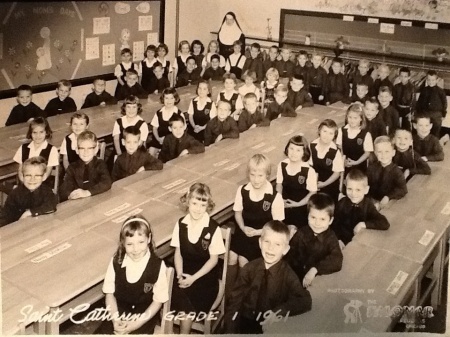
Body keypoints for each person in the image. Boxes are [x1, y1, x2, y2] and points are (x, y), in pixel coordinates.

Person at [224, 220, 312, 334]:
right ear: (260, 243)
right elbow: (234, 304)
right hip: (245, 324)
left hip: (272, 327)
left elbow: (305, 300)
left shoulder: (288, 274)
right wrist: (229, 332)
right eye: (267, 242)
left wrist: (280, 311)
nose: (271, 248)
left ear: (285, 249)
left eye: (277, 244)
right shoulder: (248, 269)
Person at [95, 216, 169, 334]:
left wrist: (135, 325)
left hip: (143, 318)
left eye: (141, 242)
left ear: (149, 239)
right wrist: (115, 320)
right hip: (117, 313)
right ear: (123, 243)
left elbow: (157, 302)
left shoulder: (157, 266)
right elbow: (109, 294)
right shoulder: (116, 261)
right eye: (130, 244)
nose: (136, 249)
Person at [170, 183, 226, 334]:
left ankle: (184, 334)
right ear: (187, 201)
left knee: (187, 298)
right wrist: (180, 274)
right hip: (184, 272)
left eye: (203, 204)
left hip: (204, 277)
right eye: (194, 203)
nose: (198, 209)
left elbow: (214, 260)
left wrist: (193, 278)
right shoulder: (181, 224)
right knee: (166, 290)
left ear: (208, 206)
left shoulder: (213, 228)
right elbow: (178, 253)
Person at [229, 154, 284, 269]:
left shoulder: (274, 197)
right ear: (248, 174)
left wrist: (258, 232)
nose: (256, 180)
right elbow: (238, 212)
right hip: (244, 230)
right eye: (252, 175)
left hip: (263, 235)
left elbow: (277, 225)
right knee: (231, 256)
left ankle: (245, 285)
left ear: (267, 175)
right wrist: (243, 227)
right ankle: (230, 286)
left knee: (243, 260)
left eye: (260, 176)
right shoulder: (242, 190)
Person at [286, 193, 343, 286]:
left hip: (317, 279)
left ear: (331, 220)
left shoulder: (331, 237)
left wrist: (315, 269)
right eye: (313, 217)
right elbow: (289, 254)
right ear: (307, 216)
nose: (317, 223)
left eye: (322, 219)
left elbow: (337, 260)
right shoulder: (301, 233)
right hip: (295, 277)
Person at [333, 169, 390, 246]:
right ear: (345, 187)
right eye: (350, 189)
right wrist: (338, 239)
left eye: (358, 190)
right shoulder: (342, 203)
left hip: (360, 242)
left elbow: (384, 223)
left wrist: (363, 224)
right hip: (342, 242)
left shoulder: (368, 205)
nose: (353, 194)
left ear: (366, 190)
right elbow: (334, 224)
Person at [0, 156, 57, 227]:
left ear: (44, 177)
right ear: (22, 176)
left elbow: (51, 205)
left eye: (37, 175)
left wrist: (29, 212)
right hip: (17, 228)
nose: (32, 179)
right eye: (28, 175)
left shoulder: (46, 191)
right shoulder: (15, 193)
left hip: (39, 226)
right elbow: (5, 216)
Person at [276, 135, 317, 229]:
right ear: (287, 149)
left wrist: (297, 204)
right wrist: (280, 200)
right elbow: (279, 185)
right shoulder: (282, 165)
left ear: (304, 153)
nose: (294, 153)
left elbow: (313, 193)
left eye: (298, 150)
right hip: (284, 205)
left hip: (300, 207)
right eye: (291, 149)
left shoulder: (309, 171)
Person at [59, 131, 112, 201]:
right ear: (77, 150)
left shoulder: (100, 164)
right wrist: (70, 195)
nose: (85, 152)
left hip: (98, 199)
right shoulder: (72, 168)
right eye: (82, 148)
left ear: (96, 150)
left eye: (89, 148)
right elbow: (63, 189)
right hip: (79, 203)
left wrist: (87, 192)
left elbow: (107, 182)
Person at [367, 136, 407, 210]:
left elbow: (403, 189)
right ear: (375, 153)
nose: (383, 155)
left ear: (393, 153)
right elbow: (367, 186)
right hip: (373, 202)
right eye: (379, 152)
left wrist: (388, 197)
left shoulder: (396, 171)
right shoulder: (371, 168)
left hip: (389, 204)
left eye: (387, 151)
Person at [309, 119, 345, 204]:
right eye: (324, 131)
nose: (327, 135)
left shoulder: (335, 151)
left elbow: (337, 173)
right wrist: (312, 182)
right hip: (314, 184)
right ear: (319, 131)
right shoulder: (312, 146)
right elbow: (309, 167)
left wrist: (324, 184)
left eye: (331, 133)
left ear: (334, 136)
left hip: (329, 186)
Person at [13, 117, 59, 183]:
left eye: (41, 132)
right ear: (31, 133)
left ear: (46, 132)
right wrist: (25, 182)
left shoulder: (52, 150)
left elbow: (47, 174)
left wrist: (33, 184)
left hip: (42, 186)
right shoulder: (23, 148)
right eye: (34, 132)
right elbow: (20, 170)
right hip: (25, 184)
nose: (38, 135)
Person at [336, 102, 373, 174]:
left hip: (360, 167)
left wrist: (356, 162)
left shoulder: (365, 134)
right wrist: (343, 161)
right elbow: (340, 149)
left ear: (361, 119)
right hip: (345, 165)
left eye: (355, 118)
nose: (352, 120)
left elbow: (367, 153)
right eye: (350, 117)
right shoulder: (342, 131)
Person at [148, 88, 184, 157]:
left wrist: (167, 140)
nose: (169, 101)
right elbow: (154, 128)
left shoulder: (179, 114)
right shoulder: (159, 113)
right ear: (163, 99)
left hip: (173, 141)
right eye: (166, 98)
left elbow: (182, 132)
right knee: (151, 153)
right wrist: (158, 139)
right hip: (159, 139)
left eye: (171, 98)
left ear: (175, 99)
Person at [417, 70, 447, 137]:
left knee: (435, 134)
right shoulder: (424, 90)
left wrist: (443, 114)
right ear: (427, 80)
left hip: (436, 115)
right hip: (425, 114)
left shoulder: (441, 91)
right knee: (424, 132)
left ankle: (434, 146)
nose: (431, 82)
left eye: (433, 80)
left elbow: (444, 103)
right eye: (429, 80)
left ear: (437, 80)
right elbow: (419, 102)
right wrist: (418, 113)